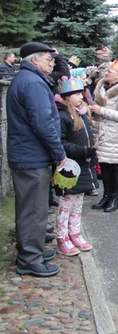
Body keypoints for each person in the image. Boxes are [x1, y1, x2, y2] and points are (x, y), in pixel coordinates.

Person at [7, 42, 68, 277]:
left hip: (29, 154)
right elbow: (43, 124)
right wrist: (59, 154)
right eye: (48, 59)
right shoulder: (32, 82)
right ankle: (29, 259)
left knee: (32, 208)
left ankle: (31, 250)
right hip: (32, 157)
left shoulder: (28, 79)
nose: (51, 63)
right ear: (35, 60)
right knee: (34, 210)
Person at [55, 77, 98, 256]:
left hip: (84, 165)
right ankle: (62, 236)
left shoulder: (82, 113)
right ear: (67, 96)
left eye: (81, 93)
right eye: (76, 94)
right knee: (66, 204)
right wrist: (84, 151)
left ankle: (75, 233)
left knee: (78, 203)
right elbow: (61, 143)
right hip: (70, 167)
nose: (81, 97)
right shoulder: (62, 115)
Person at [90, 59, 118, 212]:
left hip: (113, 133)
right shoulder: (101, 87)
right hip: (100, 131)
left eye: (110, 72)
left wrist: (101, 111)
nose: (106, 73)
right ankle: (106, 196)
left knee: (114, 166)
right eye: (106, 71)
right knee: (104, 165)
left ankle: (114, 197)